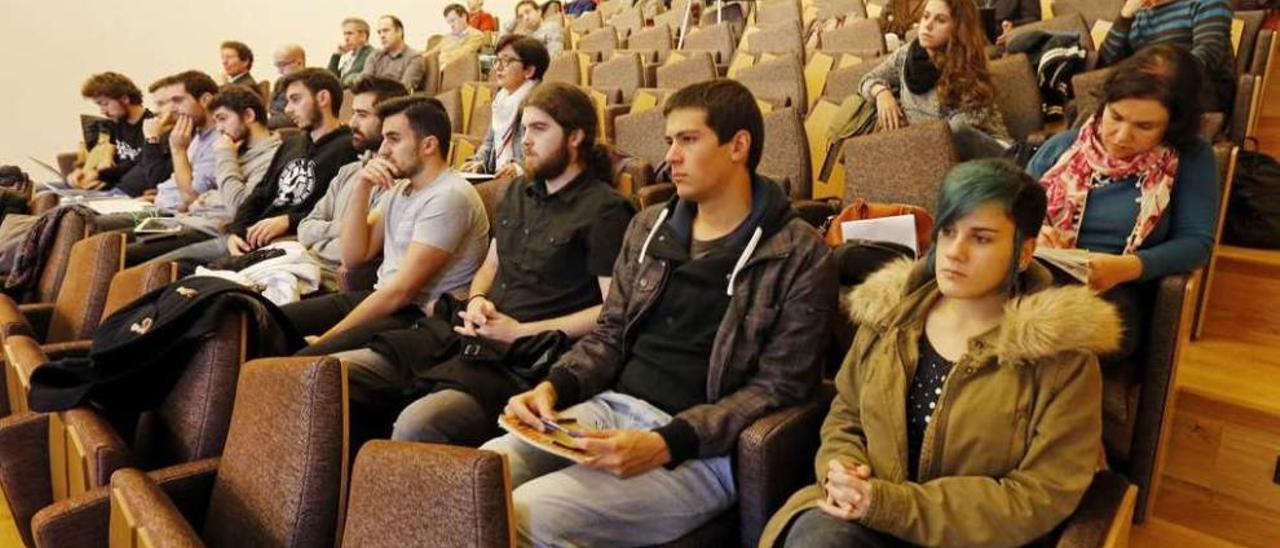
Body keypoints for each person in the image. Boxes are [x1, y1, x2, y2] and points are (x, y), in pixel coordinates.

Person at [482, 79, 837, 546]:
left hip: (702, 453)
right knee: (483, 474)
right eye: (670, 141)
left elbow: (779, 386)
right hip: (610, 410)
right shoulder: (649, 226)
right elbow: (609, 334)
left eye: (688, 140)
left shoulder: (799, 253)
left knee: (530, 513)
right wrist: (554, 386)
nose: (670, 156)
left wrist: (668, 442)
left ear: (739, 146)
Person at [761, 159, 1122, 547]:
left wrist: (893, 505)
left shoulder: (1062, 359)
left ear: (1024, 253)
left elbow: (1041, 494)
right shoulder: (891, 317)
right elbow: (847, 413)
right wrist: (842, 468)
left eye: (981, 238)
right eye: (948, 232)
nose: (954, 252)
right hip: (866, 519)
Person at [333, 81, 635, 446]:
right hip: (473, 333)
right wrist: (477, 300)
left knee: (417, 423)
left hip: (529, 358)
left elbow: (609, 312)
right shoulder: (517, 193)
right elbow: (490, 268)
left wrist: (519, 331)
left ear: (575, 137)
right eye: (524, 129)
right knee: (336, 375)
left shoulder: (606, 211)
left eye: (539, 129)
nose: (526, 141)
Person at [1027, 43, 1219, 360]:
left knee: (1045, 334)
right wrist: (1034, 232)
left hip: (1113, 289)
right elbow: (1011, 211)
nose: (1120, 136)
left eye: (1144, 126)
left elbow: (1196, 243)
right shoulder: (1063, 147)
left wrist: (1125, 268)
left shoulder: (1191, 159)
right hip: (1038, 271)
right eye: (1115, 116)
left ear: (1173, 125)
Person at [283, 96, 489, 356]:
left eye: (393, 139)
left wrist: (325, 339)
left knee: (302, 359)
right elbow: (354, 256)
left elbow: (402, 292)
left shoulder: (449, 196)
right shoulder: (400, 187)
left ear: (428, 145)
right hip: (381, 297)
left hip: (420, 317)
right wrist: (361, 187)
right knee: (271, 320)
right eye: (383, 139)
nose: (382, 150)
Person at [147, 68, 357, 266]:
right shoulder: (293, 143)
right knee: (154, 267)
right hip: (246, 237)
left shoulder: (348, 148)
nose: (287, 109)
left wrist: (289, 221)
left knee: (170, 274)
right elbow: (259, 194)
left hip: (284, 244)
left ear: (322, 98)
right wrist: (235, 231)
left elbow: (336, 213)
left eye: (295, 99)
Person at [126, 85, 283, 265]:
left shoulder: (272, 157)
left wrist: (224, 157)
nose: (220, 129)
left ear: (248, 116)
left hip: (211, 230)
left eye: (223, 119)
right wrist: (206, 199)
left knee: (132, 262)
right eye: (216, 122)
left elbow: (239, 207)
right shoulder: (235, 148)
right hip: (189, 218)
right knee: (110, 239)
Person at [859, 0, 1012, 160]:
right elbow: (867, 79)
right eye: (926, 17)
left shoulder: (968, 65)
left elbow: (953, 135)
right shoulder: (906, 54)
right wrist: (882, 93)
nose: (928, 25)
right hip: (933, 150)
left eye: (940, 20)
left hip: (986, 153)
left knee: (955, 131)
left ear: (957, 28)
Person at [298, 75, 409, 290]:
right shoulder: (348, 171)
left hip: (329, 281)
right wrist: (346, 228)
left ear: (388, 120)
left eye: (362, 115)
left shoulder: (401, 184)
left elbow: (349, 251)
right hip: (305, 266)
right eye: (353, 113)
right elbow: (304, 228)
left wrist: (320, 240)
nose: (352, 123)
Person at [1100, 0, 1234, 112]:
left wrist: (1154, 76)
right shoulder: (1139, 12)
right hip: (1143, 90)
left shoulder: (1207, 2)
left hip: (1193, 90)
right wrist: (1124, 17)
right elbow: (1107, 61)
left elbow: (1209, 54)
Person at [460, 36, 548, 177]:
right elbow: (489, 142)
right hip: (498, 176)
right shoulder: (502, 99)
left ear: (529, 71)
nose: (498, 67)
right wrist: (478, 162)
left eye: (506, 61)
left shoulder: (541, 102)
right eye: (497, 60)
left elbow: (546, 152)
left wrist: (519, 168)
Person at [71, 72, 156, 195]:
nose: (102, 111)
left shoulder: (151, 126)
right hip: (110, 185)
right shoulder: (116, 123)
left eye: (105, 104)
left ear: (125, 99)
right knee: (44, 190)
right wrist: (84, 174)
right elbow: (107, 158)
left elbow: (140, 164)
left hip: (128, 190)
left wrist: (100, 175)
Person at [149, 70, 221, 212]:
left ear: (205, 100)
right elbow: (177, 181)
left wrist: (178, 150)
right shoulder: (197, 134)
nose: (172, 109)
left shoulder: (219, 140)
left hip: (173, 217)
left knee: (101, 224)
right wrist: (161, 195)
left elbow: (191, 198)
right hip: (159, 206)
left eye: (178, 101)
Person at [361, 15, 427, 92]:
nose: (382, 36)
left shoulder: (414, 58)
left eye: (386, 31)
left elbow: (404, 90)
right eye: (379, 32)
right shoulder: (374, 56)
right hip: (369, 98)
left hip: (395, 101)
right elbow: (363, 83)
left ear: (399, 31)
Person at [329, 17, 377, 87]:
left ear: (363, 36)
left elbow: (344, 81)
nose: (346, 38)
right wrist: (336, 56)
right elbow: (329, 80)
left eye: (350, 33)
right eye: (344, 34)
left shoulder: (371, 54)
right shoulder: (349, 56)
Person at [268, 44, 306, 129]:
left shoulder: (307, 84)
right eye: (277, 65)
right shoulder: (280, 82)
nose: (279, 71)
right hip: (276, 121)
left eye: (282, 65)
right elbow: (272, 109)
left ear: (299, 63)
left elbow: (300, 116)